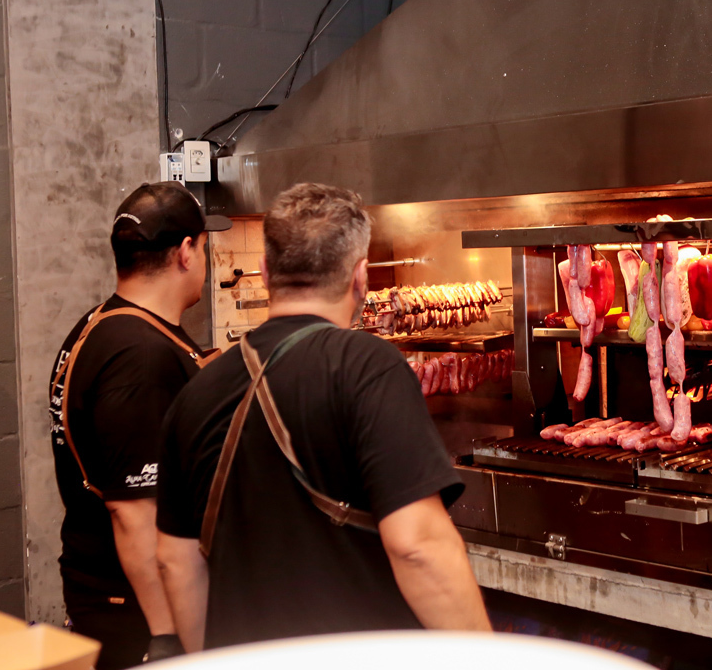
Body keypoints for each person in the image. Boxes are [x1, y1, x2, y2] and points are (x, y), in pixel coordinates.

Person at [155, 182, 491, 652]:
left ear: (265, 271)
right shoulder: (368, 366)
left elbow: (175, 560)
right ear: (361, 277)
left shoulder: (196, 393)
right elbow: (417, 546)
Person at [48, 181, 231, 669]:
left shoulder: (105, 324)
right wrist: (168, 635)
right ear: (186, 252)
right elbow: (133, 513)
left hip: (108, 591)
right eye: (205, 247)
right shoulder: (140, 358)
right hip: (135, 610)